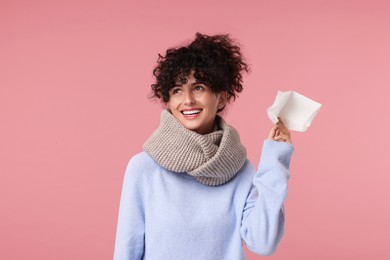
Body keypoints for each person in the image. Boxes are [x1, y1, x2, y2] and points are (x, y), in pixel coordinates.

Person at [113, 33, 294, 260]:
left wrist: (275, 162)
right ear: (168, 100)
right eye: (177, 90)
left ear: (221, 98)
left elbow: (263, 242)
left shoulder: (241, 170)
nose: (187, 100)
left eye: (198, 87)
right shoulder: (144, 168)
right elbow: (127, 251)